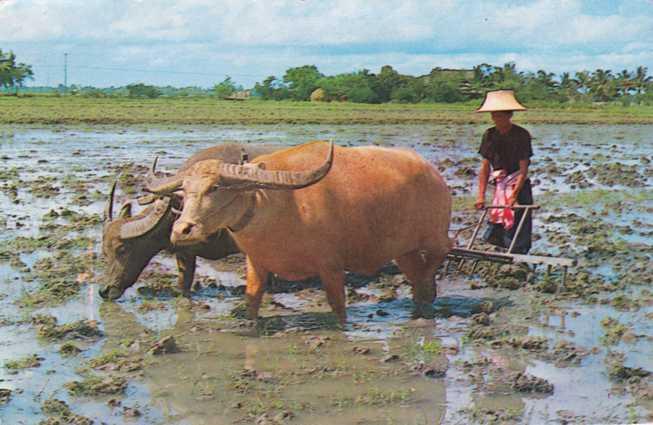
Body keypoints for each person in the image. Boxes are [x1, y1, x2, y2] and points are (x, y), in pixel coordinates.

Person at [475, 90, 533, 254]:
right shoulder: (489, 135)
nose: (496, 119)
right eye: (494, 115)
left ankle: (518, 254)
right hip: (500, 184)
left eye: (500, 115)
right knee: (498, 224)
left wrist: (514, 194)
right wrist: (481, 195)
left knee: (519, 222)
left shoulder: (521, 135)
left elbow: (524, 168)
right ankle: (501, 250)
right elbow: (485, 166)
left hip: (518, 184)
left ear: (509, 116)